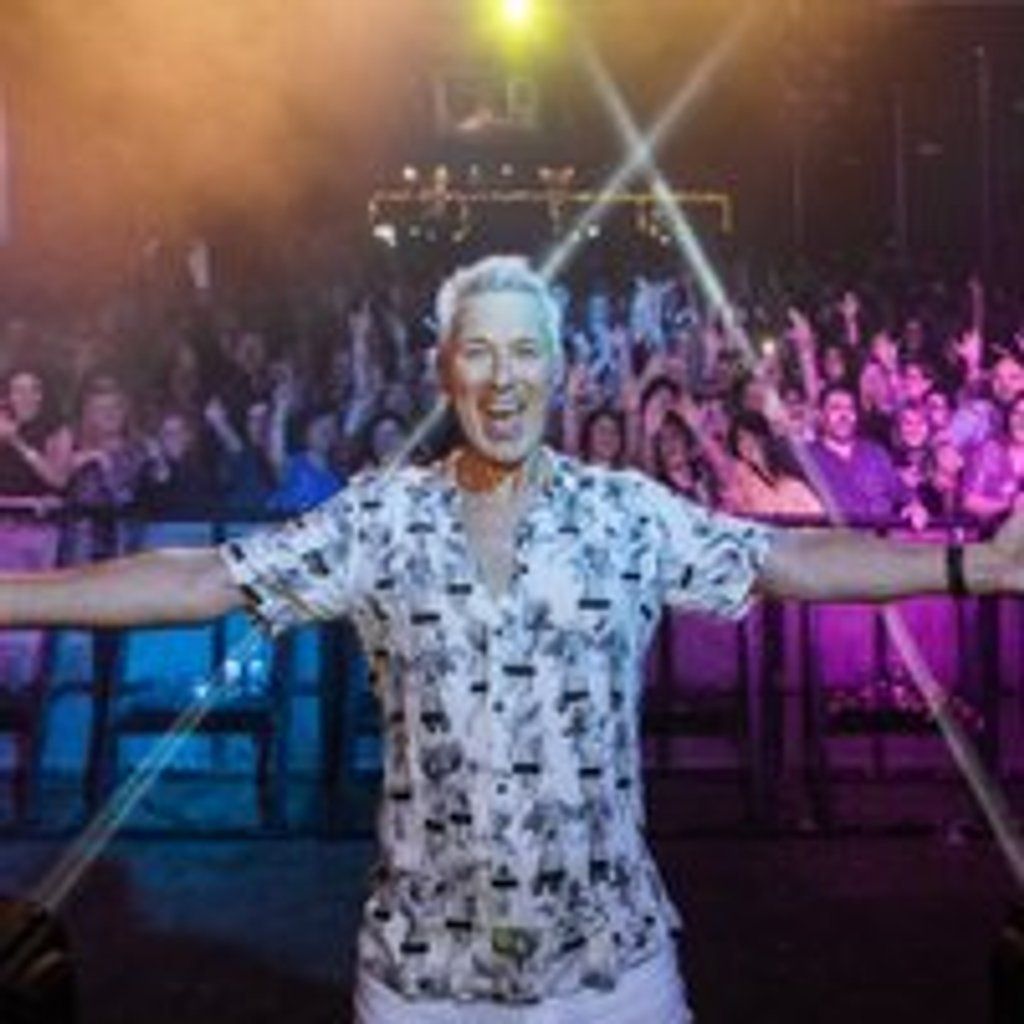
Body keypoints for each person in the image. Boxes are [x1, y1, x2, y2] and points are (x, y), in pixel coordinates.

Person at [2, 255, 1024, 1024]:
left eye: (525, 351)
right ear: (445, 372)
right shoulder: (381, 517)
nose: (502, 377)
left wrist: (975, 566)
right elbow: (197, 578)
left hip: (611, 973)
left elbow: (787, 559)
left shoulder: (624, 512)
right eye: (479, 352)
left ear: (557, 368)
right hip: (423, 979)